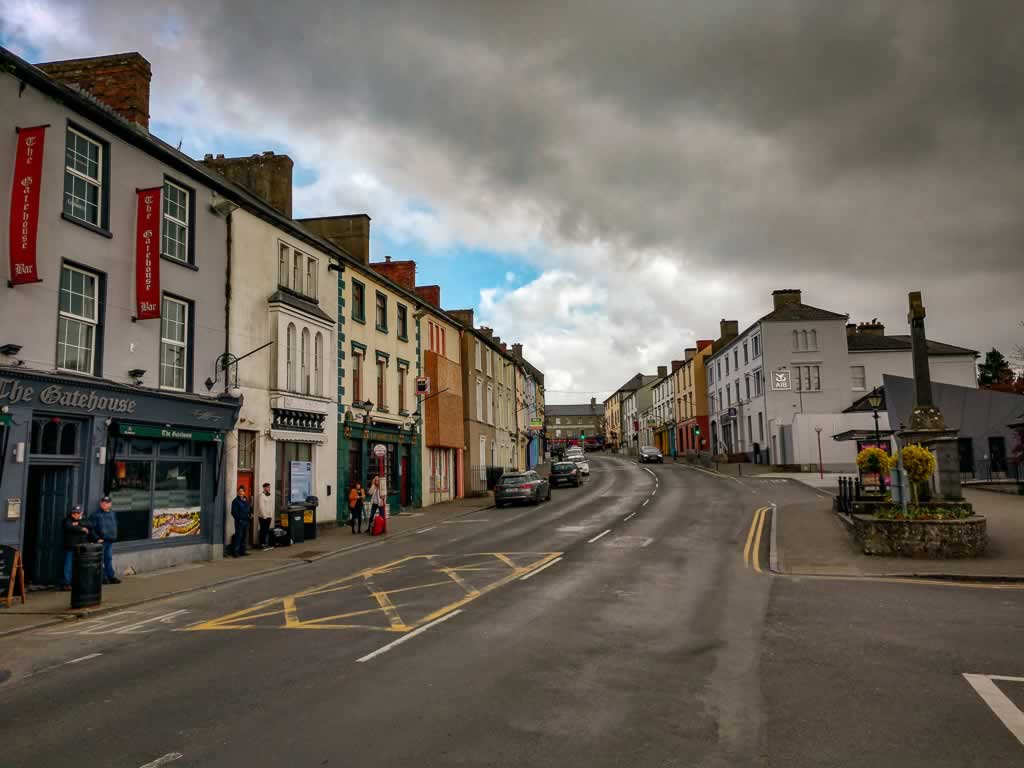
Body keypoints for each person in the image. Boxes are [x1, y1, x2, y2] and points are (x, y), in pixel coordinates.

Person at [90, 495, 120, 584]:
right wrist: (97, 538)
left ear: (110, 504)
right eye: (103, 503)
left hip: (110, 540)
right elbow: (91, 529)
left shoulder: (112, 513)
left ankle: (110, 576)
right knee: (100, 560)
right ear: (100, 503)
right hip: (101, 541)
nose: (104, 504)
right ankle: (103, 577)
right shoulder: (95, 515)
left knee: (108, 559)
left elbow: (115, 524)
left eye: (106, 503)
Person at [61, 504, 90, 591]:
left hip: (82, 547)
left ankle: (78, 582)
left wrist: (78, 523)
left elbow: (90, 524)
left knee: (81, 566)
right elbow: (68, 526)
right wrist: (81, 528)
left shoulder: (83, 519)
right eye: (75, 513)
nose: (76, 515)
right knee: (68, 566)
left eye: (78, 513)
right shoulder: (67, 520)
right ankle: (66, 583)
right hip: (71, 547)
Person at [230, 485, 252, 557]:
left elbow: (248, 509)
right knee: (238, 536)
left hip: (246, 521)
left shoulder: (246, 500)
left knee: (244, 537)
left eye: (242, 491)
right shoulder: (235, 501)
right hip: (240, 522)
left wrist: (249, 515)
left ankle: (243, 551)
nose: (240, 493)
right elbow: (234, 512)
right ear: (237, 493)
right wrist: (239, 519)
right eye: (239, 491)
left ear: (244, 492)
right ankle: (235, 552)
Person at [256, 482, 273, 549]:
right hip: (263, 517)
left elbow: (271, 506)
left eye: (269, 487)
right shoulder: (261, 496)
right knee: (263, 530)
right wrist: (264, 516)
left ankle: (266, 543)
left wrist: (271, 515)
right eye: (268, 487)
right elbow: (261, 506)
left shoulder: (270, 495)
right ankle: (262, 544)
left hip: (269, 516)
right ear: (264, 488)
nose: (269, 488)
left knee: (266, 530)